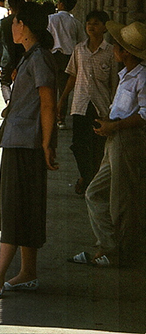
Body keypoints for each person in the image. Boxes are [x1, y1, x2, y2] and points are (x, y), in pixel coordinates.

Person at [0, 2, 58, 300]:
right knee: (25, 207)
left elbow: (49, 103)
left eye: (13, 21)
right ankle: (28, 271)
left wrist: (47, 144)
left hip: (26, 142)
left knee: (14, 208)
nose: (10, 26)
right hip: (19, 139)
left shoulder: (38, 58)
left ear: (23, 25)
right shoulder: (32, 56)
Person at [70, 20, 146, 268]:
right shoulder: (126, 74)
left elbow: (145, 113)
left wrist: (115, 126)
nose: (112, 49)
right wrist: (109, 122)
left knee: (122, 200)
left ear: (126, 52)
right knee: (94, 193)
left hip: (128, 140)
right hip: (115, 139)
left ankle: (116, 253)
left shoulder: (142, 77)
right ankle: (108, 246)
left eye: (116, 46)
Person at [57, 10, 116, 195]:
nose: (91, 26)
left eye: (96, 23)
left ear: (105, 27)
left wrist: (114, 110)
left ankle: (90, 181)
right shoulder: (79, 49)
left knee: (98, 146)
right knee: (78, 145)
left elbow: (114, 83)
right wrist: (62, 99)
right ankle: (87, 176)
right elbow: (73, 76)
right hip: (80, 105)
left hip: (101, 106)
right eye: (89, 22)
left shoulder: (111, 53)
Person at [48, 0, 86, 129]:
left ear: (61, 4)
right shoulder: (76, 23)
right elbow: (82, 41)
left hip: (53, 56)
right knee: (64, 91)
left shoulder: (50, 19)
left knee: (50, 88)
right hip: (69, 58)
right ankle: (61, 119)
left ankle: (49, 116)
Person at [0, 0, 26, 103]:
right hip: (23, 58)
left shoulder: (4, 22)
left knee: (5, 82)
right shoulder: (26, 21)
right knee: (21, 82)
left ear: (10, 6)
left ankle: (9, 100)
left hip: (6, 59)